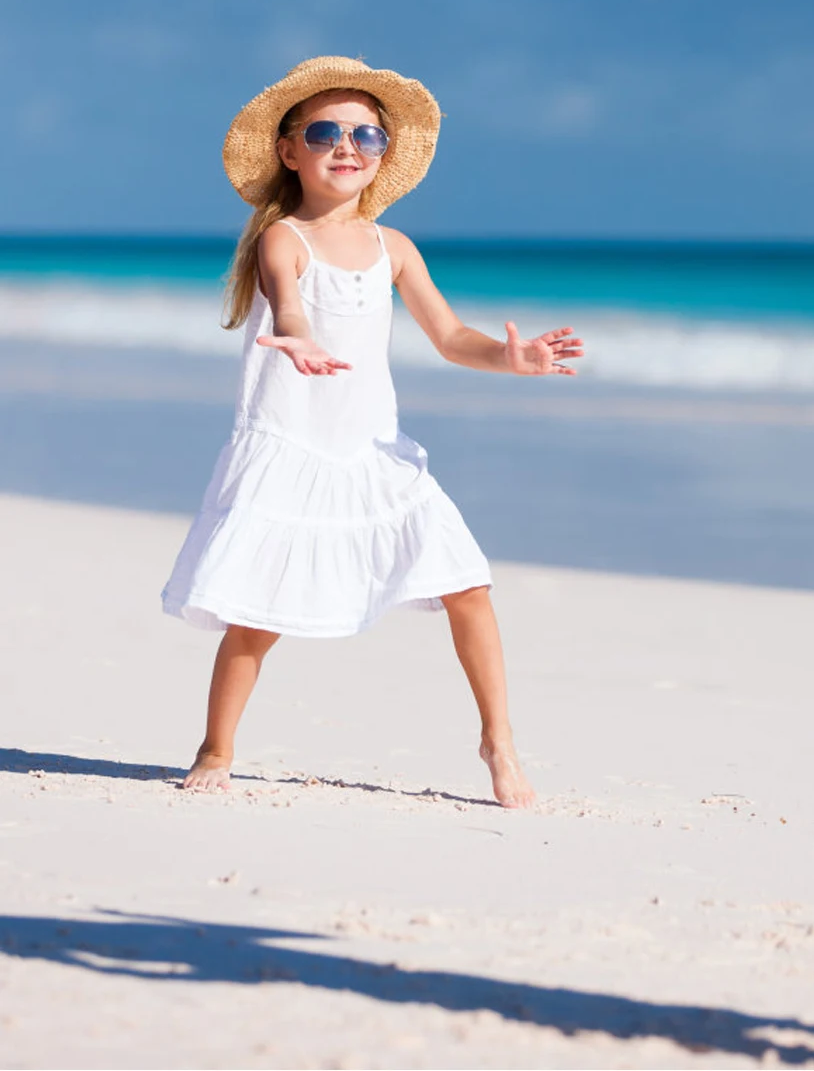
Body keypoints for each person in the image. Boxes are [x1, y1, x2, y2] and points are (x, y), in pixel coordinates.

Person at [162, 56, 584, 809]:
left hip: (374, 453)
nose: (347, 144)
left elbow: (452, 337)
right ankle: (215, 748)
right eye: (325, 130)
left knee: (469, 586)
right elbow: (289, 303)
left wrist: (511, 358)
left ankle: (499, 743)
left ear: (385, 153)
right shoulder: (283, 238)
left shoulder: (396, 249)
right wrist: (297, 335)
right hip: (292, 446)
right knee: (258, 618)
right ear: (290, 150)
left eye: (367, 133)